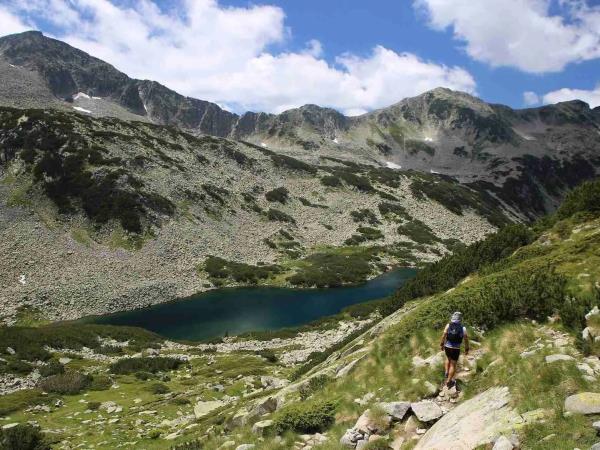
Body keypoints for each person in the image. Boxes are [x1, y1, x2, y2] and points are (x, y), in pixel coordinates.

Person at [439, 311, 469, 388]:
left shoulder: (448, 325)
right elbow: (466, 339)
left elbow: (444, 335)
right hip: (456, 348)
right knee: (453, 364)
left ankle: (446, 372)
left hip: (447, 346)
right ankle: (449, 380)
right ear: (460, 319)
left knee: (447, 358)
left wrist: (441, 344)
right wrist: (467, 348)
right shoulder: (463, 328)